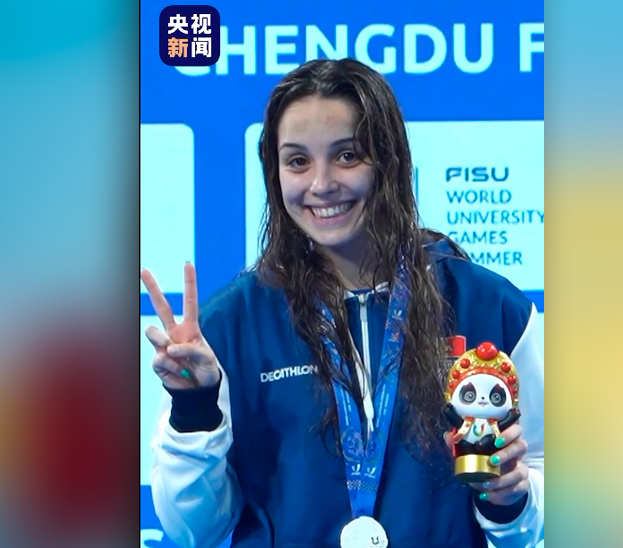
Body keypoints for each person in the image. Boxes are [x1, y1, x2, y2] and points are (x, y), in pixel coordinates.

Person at [140, 58, 543, 548]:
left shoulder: (490, 307)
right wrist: (194, 407)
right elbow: (193, 529)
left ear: (389, 161)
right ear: (274, 173)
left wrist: (509, 498)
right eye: (297, 161)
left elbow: (537, 491)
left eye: (347, 155)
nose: (321, 183)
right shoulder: (231, 326)